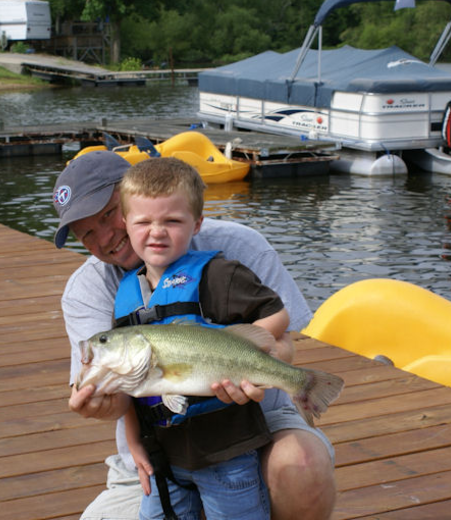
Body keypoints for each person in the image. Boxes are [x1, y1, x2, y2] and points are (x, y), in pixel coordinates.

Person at [53, 150, 336, 520]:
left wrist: (246, 367)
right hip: (158, 446)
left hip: (255, 426)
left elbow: (283, 340)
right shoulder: (86, 290)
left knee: (300, 466)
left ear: (129, 198)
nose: (105, 237)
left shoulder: (238, 248)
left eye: (108, 215)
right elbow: (118, 389)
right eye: (86, 232)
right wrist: (104, 408)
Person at [116, 157, 290, 519]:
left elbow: (278, 315)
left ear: (197, 223)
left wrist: (232, 344)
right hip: (164, 457)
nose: (157, 232)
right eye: (144, 221)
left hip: (228, 451)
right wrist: (134, 442)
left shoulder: (219, 275)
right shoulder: (127, 295)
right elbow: (131, 385)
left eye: (172, 221)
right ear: (125, 225)